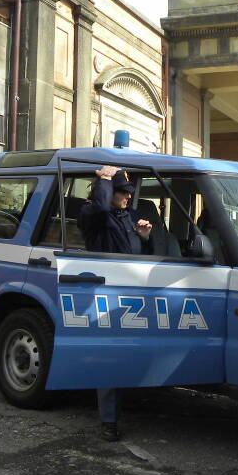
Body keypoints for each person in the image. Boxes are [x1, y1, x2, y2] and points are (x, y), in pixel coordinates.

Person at [77, 165, 153, 442]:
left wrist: (144, 238)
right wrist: (104, 180)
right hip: (107, 292)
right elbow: (98, 207)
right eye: (123, 192)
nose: (128, 197)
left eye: (129, 193)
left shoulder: (127, 217)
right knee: (109, 357)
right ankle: (109, 420)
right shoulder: (94, 215)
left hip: (131, 293)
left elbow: (134, 254)